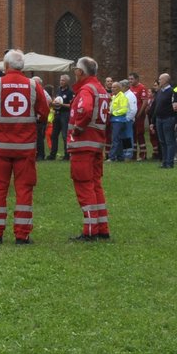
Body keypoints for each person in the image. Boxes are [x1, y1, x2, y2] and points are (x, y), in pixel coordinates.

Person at [0, 49, 48, 244]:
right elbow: (44, 113)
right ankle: (22, 234)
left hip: (0, 147)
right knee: (24, 189)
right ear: (23, 67)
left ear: (6, 66)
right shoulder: (34, 86)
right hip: (25, 148)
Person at [66, 55, 111, 241]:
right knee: (96, 186)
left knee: (84, 187)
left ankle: (90, 230)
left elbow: (84, 110)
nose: (75, 72)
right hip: (97, 145)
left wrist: (77, 129)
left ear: (80, 72)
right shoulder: (100, 89)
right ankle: (102, 227)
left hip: (83, 145)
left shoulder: (86, 90)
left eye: (76, 69)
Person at [151, 72, 175, 169]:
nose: (159, 81)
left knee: (169, 141)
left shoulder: (172, 92)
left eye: (160, 79)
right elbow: (156, 107)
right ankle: (164, 161)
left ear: (165, 80)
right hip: (159, 119)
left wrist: (175, 121)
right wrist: (153, 121)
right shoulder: (160, 92)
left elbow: (174, 106)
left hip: (168, 119)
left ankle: (169, 162)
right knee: (162, 141)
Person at [109, 80, 134, 162]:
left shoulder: (129, 95)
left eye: (114, 87)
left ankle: (128, 154)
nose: (112, 89)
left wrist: (128, 118)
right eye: (112, 87)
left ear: (123, 87)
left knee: (127, 137)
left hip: (125, 119)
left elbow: (132, 109)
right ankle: (122, 155)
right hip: (120, 119)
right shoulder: (116, 96)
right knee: (123, 138)